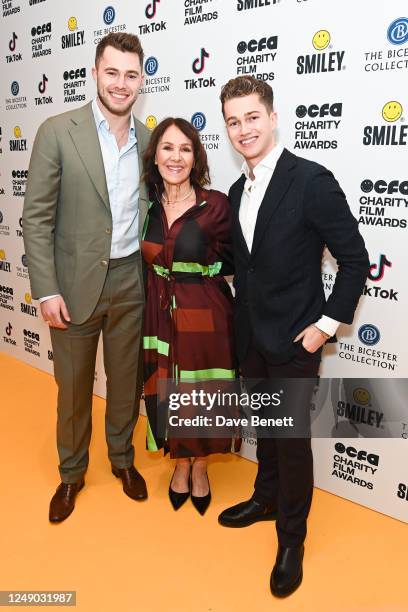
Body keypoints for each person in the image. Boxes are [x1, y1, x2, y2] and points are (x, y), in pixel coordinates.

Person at [217, 76, 369, 596]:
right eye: (233, 121)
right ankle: (264, 499)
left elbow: (355, 261)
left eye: (251, 117)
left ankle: (292, 538)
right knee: (266, 431)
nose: (243, 129)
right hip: (252, 338)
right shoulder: (238, 189)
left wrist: (323, 328)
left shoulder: (311, 179)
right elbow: (245, 264)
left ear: (273, 117)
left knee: (292, 440)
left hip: (295, 341)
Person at [23, 33, 151, 523]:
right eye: (112, 72)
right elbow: (36, 218)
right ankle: (71, 472)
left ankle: (122, 459)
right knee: (72, 387)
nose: (122, 83)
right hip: (73, 285)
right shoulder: (58, 130)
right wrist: (47, 288)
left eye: (131, 74)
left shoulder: (147, 141)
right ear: (94, 73)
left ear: (142, 80)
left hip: (130, 282)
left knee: (125, 383)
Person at [141, 117, 238, 515]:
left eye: (185, 148)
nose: (175, 156)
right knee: (167, 387)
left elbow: (236, 259)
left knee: (201, 392)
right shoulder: (145, 203)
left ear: (195, 156)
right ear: (155, 155)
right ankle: (179, 462)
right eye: (167, 147)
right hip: (157, 311)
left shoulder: (214, 205)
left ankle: (200, 466)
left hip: (203, 311)